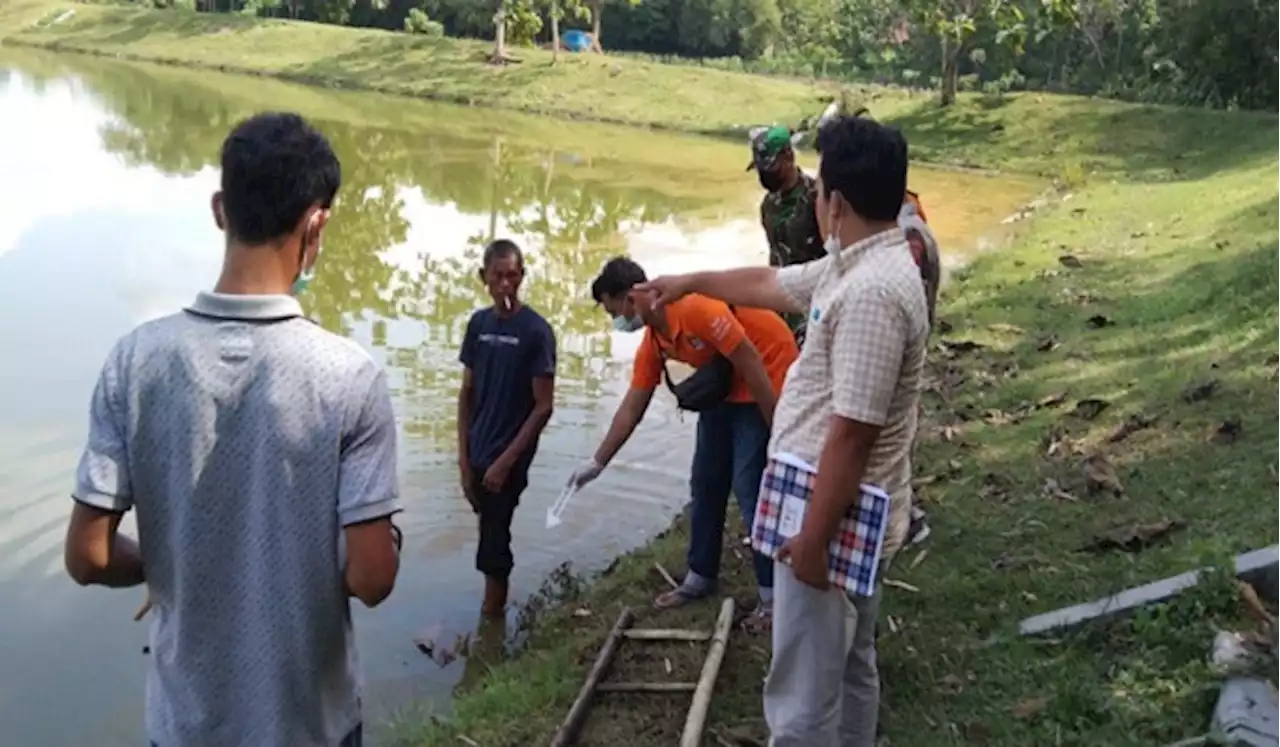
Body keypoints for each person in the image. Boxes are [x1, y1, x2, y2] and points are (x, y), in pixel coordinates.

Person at [63, 112, 403, 747]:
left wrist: (168, 566)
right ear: (317, 223)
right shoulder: (349, 377)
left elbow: (89, 556)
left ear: (220, 209)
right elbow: (372, 578)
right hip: (311, 727)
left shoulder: (136, 361)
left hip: (184, 726)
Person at [637, 113, 929, 746]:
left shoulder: (873, 293)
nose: (814, 200)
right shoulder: (854, 265)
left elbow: (852, 432)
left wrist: (814, 540)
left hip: (834, 521)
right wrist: (687, 280)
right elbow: (769, 283)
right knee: (850, 666)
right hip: (838, 512)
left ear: (835, 203)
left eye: (820, 190)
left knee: (801, 698)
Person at [569, 257, 798, 631]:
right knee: (705, 483)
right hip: (725, 393)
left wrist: (777, 427)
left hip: (765, 379)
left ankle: (773, 598)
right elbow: (633, 405)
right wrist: (597, 462)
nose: (617, 321)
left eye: (614, 311)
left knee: (749, 487)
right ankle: (700, 576)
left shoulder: (695, 308)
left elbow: (750, 360)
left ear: (631, 299)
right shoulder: (654, 340)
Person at [457, 239, 556, 618]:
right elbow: (466, 393)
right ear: (483, 277)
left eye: (512, 276)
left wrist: (506, 462)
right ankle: (493, 612)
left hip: (508, 457)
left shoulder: (536, 332)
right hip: (478, 450)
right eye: (497, 276)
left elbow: (543, 406)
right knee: (488, 529)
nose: (505, 285)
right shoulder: (478, 325)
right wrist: (464, 461)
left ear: (522, 277)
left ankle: (491, 623)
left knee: (495, 542)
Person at [749, 125, 825, 338]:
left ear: (789, 157)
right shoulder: (768, 205)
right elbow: (775, 257)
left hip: (813, 309)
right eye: (761, 170)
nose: (765, 176)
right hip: (779, 307)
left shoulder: (817, 198)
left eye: (770, 168)